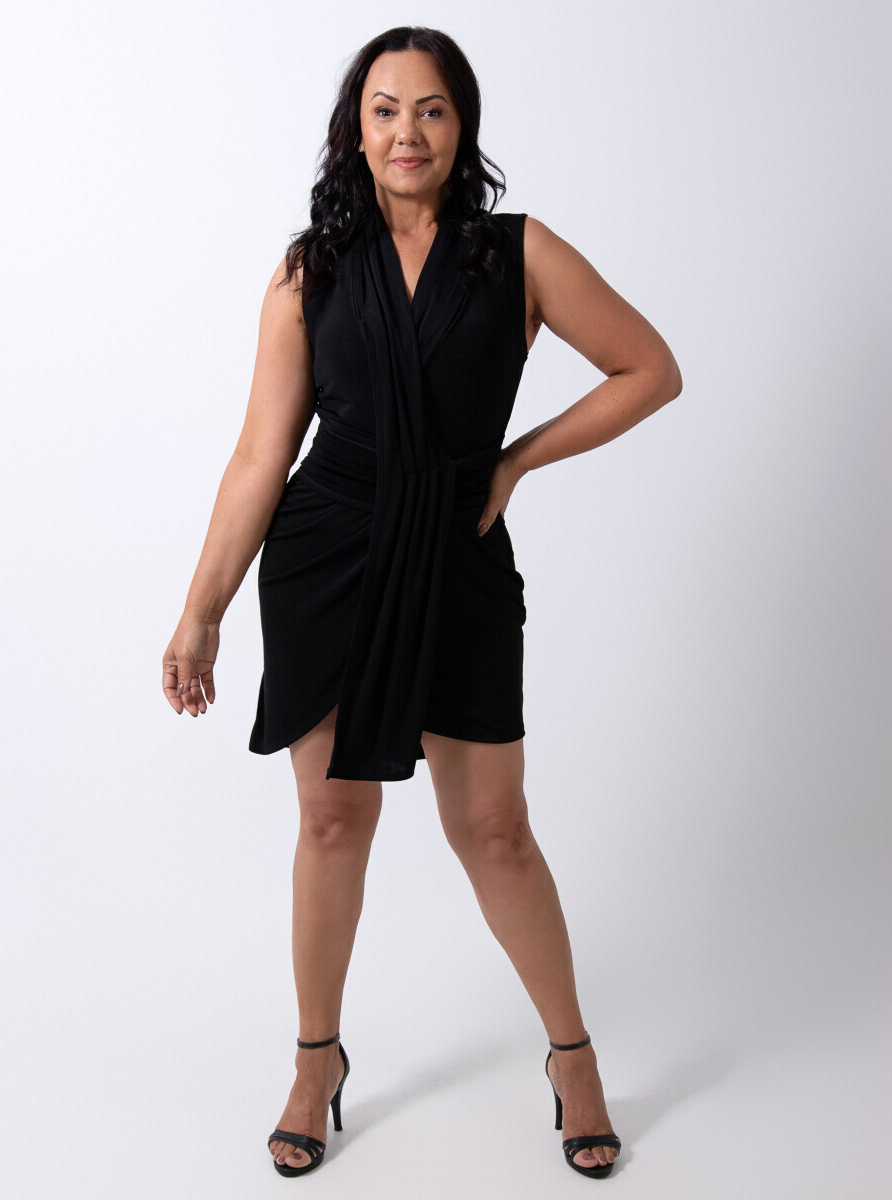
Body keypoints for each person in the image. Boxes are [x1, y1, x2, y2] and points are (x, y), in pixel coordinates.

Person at [162, 25, 681, 1179]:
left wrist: (515, 461)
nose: (408, 131)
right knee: (330, 821)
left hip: (456, 559)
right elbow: (259, 457)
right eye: (387, 109)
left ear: (462, 125)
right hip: (327, 557)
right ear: (357, 128)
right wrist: (202, 609)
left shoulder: (518, 253)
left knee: (494, 831)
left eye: (432, 109)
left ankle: (573, 1056)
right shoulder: (309, 271)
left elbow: (651, 368)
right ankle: (316, 1060)